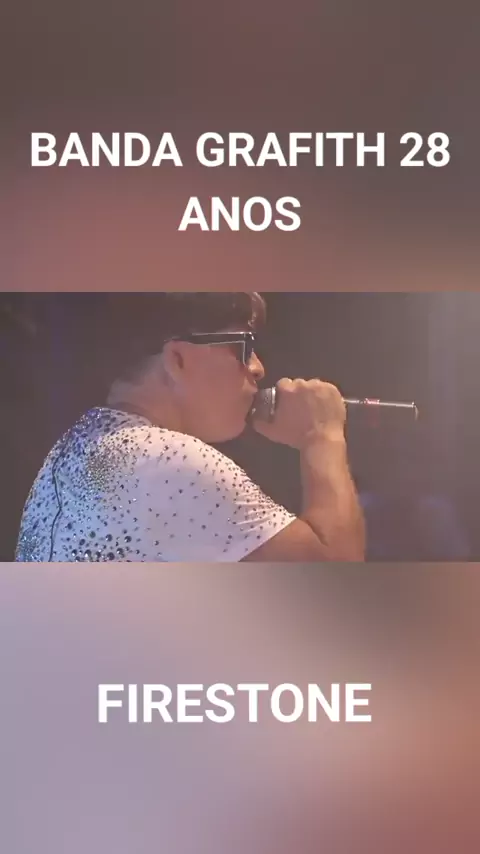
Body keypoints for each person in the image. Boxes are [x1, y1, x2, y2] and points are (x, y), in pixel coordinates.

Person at [15, 293, 364, 562]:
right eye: (243, 347)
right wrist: (322, 434)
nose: (258, 368)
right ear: (177, 359)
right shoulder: (165, 461)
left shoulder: (72, 448)